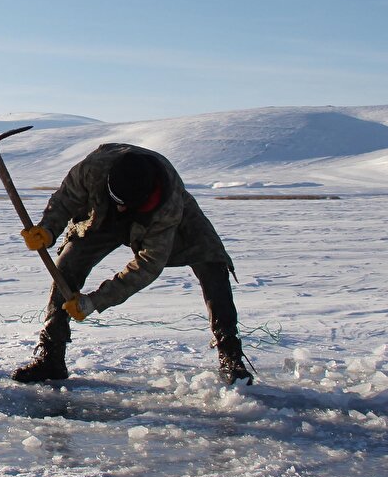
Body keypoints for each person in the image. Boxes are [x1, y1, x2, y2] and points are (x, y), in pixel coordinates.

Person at [14, 143, 253, 385]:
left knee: (213, 262)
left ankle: (230, 355)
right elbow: (65, 199)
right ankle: (51, 356)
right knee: (65, 268)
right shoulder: (93, 168)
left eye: (125, 204)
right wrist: (47, 229)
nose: (121, 207)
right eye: (118, 200)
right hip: (101, 216)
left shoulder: (167, 208)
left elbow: (148, 265)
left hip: (162, 219)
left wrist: (94, 301)